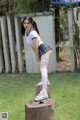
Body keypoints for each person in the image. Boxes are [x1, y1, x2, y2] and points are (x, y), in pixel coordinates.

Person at [21, 16, 52, 101]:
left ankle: (44, 93)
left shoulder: (33, 33)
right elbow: (32, 46)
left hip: (43, 49)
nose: (26, 25)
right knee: (42, 68)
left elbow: (36, 46)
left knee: (43, 69)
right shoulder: (27, 32)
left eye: (28, 23)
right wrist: (37, 56)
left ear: (31, 23)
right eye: (24, 23)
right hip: (41, 50)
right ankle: (45, 81)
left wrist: (37, 56)